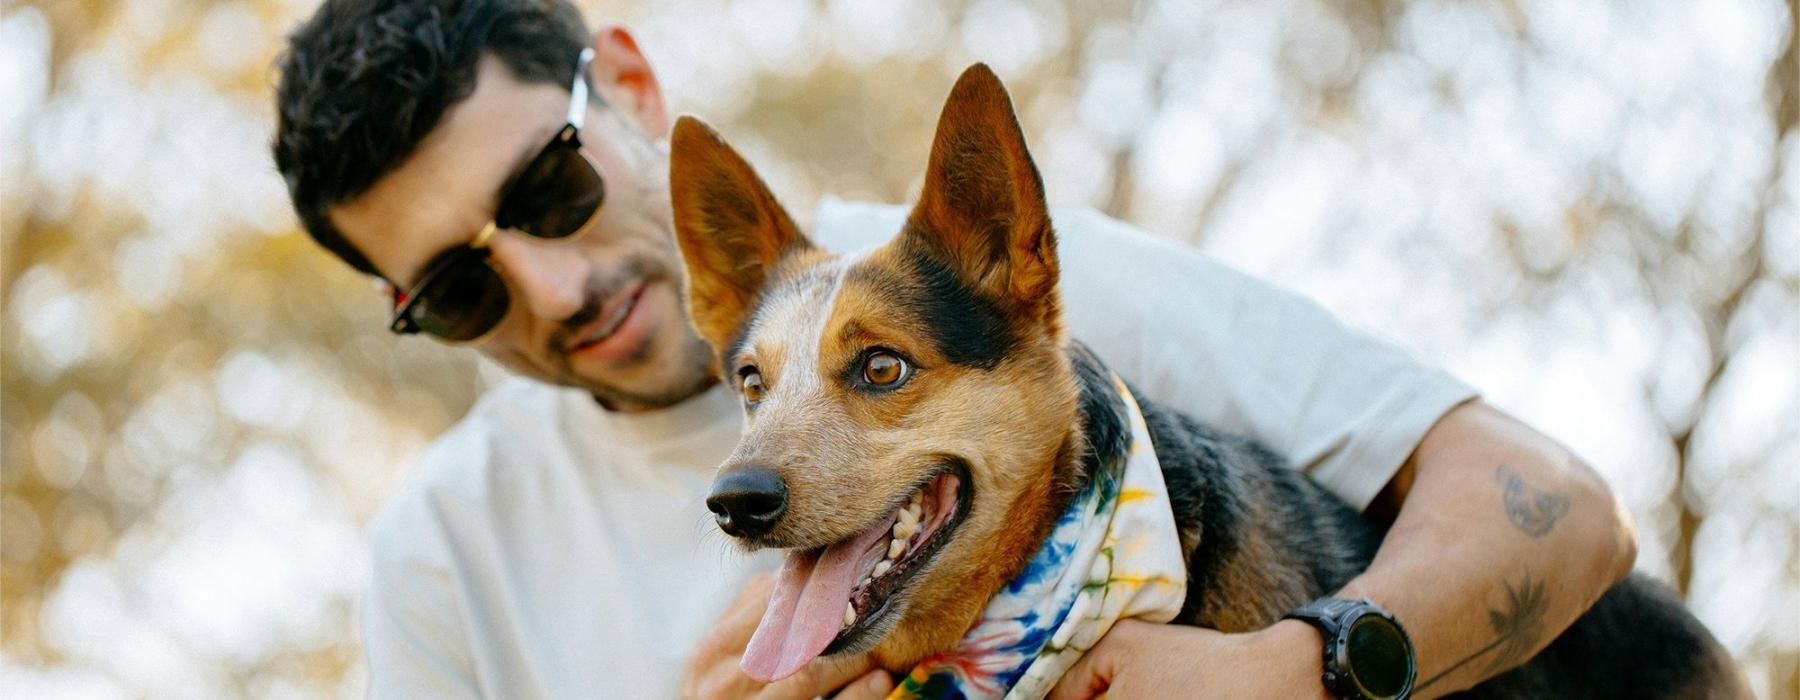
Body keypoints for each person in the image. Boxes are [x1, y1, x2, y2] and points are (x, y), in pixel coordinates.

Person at [270, 1, 1638, 698]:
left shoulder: (1002, 292)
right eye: (456, 289)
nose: (555, 288)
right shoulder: (442, 559)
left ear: (628, 89)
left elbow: (1565, 515)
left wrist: (1292, 669)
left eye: (550, 187)